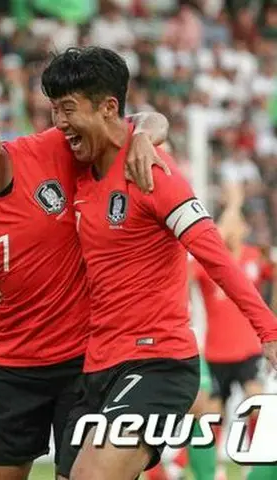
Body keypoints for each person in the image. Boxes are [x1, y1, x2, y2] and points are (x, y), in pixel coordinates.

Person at [0, 61, 169, 480]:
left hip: (86, 360)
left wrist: (143, 137)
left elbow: (147, 120)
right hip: (9, 368)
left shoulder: (53, 148)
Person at [42, 46, 277, 480]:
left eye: (68, 109)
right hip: (95, 366)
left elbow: (215, 254)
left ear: (108, 107)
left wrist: (269, 330)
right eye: (54, 109)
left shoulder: (153, 172)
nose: (59, 123)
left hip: (157, 364)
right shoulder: (75, 168)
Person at [193, 199, 277, 480]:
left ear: (243, 228)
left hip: (248, 350)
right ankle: (213, 470)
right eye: (225, 224)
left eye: (235, 223)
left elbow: (273, 271)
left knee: (256, 403)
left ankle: (253, 463)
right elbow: (183, 276)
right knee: (211, 416)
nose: (231, 229)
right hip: (216, 353)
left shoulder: (255, 257)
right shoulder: (208, 264)